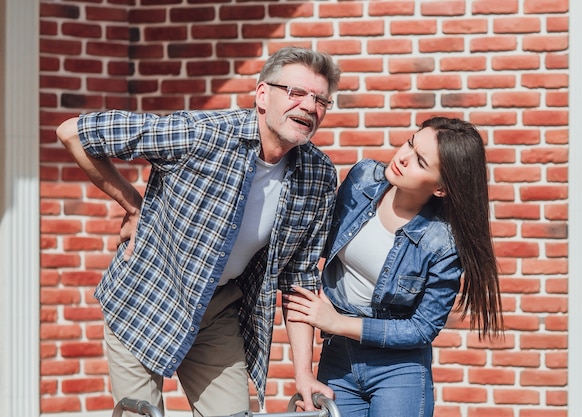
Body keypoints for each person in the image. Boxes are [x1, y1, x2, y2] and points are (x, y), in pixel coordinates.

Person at [56, 46, 340, 416]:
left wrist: (304, 374)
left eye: (320, 100)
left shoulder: (317, 175)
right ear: (262, 95)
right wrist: (132, 203)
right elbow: (74, 132)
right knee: (141, 413)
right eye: (296, 93)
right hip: (147, 297)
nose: (308, 106)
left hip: (218, 308)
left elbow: (299, 280)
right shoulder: (201, 136)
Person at [283, 116, 504, 417]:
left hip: (399, 371)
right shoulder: (362, 180)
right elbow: (310, 251)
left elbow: (422, 328)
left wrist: (338, 323)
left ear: (440, 188)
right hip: (338, 359)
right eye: (410, 143)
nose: (403, 157)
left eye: (420, 162)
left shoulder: (442, 241)